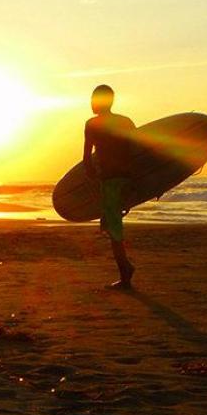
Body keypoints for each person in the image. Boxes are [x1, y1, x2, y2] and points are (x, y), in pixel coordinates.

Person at [83, 85, 136, 289]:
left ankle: (125, 271)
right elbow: (137, 150)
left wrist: (91, 179)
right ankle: (125, 268)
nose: (90, 103)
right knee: (112, 222)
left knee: (114, 228)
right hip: (128, 179)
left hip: (110, 181)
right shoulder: (126, 121)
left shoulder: (92, 124)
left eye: (92, 99)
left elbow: (87, 158)